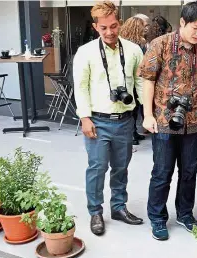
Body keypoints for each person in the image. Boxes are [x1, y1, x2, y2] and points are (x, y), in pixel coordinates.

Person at [138, 1, 197, 241]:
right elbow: (148, 80)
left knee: (190, 171)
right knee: (162, 172)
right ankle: (158, 218)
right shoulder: (159, 45)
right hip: (163, 119)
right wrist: (148, 115)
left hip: (193, 121)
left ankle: (185, 213)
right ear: (182, 22)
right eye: (194, 28)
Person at [73, 1, 145, 236]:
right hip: (97, 121)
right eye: (103, 28)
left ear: (120, 23)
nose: (110, 32)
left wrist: (150, 113)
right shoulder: (86, 52)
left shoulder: (134, 50)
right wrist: (84, 117)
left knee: (121, 168)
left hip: (125, 120)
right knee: (97, 167)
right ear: (96, 27)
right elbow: (81, 87)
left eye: (113, 26)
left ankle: (118, 207)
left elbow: (141, 83)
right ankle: (95, 211)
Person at [120, 16, 147, 146]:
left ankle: (134, 132)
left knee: (133, 108)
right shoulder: (137, 45)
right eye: (144, 26)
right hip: (135, 78)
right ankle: (131, 133)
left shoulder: (124, 41)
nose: (146, 29)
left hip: (131, 78)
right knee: (133, 108)